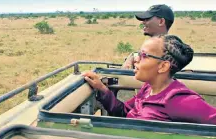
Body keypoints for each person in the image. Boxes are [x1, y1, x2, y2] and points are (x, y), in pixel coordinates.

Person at [83, 35, 216, 125]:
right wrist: (102, 88)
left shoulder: (179, 100)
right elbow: (125, 112)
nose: (136, 59)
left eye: (144, 55)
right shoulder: (148, 89)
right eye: (138, 53)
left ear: (163, 66)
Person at [122, 4, 175, 69]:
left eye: (147, 19)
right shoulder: (170, 48)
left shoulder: (170, 53)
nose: (143, 22)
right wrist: (132, 56)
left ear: (161, 21)